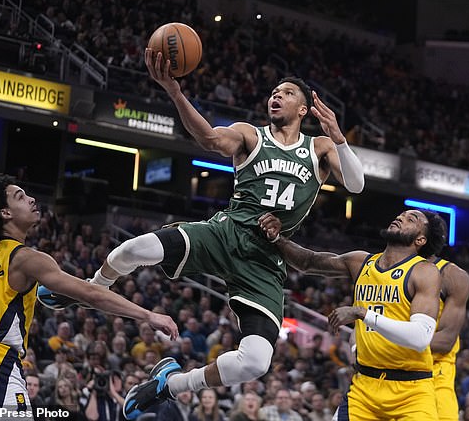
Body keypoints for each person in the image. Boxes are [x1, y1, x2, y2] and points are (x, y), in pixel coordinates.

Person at [89, 46, 365, 420]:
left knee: (256, 362)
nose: (276, 96)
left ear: (303, 109)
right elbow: (209, 139)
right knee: (133, 249)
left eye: (286, 93)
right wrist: (174, 91)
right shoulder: (249, 135)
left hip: (266, 259)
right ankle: (91, 287)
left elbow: (357, 184)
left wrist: (340, 138)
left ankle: (171, 385)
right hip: (225, 233)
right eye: (274, 92)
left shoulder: (319, 147)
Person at [0, 173, 178, 419]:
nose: (31, 199)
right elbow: (91, 294)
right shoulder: (27, 259)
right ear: (5, 213)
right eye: (20, 196)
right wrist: (147, 315)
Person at [258, 208, 446, 420]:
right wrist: (277, 239)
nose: (400, 217)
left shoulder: (424, 272)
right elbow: (309, 262)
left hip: (412, 390)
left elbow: (420, 338)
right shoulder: (361, 262)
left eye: (411, 219)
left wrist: (362, 313)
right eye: (401, 215)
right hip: (365, 385)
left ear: (420, 240)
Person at [428, 254, 469, 420]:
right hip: (390, 369)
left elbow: (445, 341)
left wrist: (385, 343)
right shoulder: (384, 268)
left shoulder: (452, 275)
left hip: (435, 373)